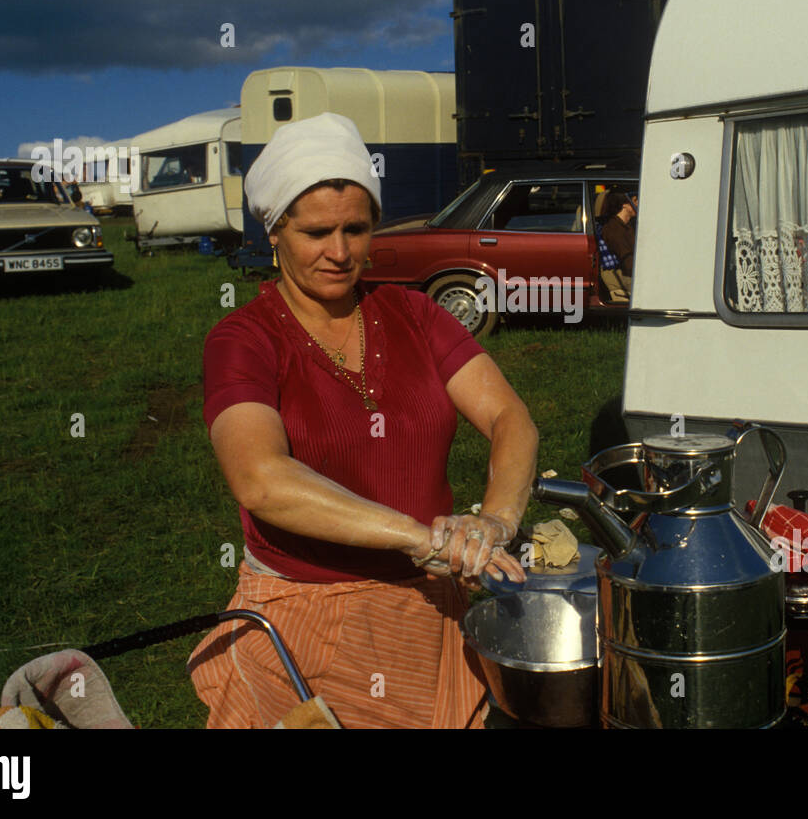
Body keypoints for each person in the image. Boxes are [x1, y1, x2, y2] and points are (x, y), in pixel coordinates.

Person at [187, 114, 535, 729]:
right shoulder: (244, 340)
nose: (341, 253)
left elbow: (511, 417)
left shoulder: (415, 314)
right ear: (274, 232)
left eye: (357, 228)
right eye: (317, 232)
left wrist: (495, 521)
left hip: (430, 611)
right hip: (308, 618)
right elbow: (261, 479)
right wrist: (420, 538)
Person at [600, 189, 638, 295]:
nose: (638, 204)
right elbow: (627, 260)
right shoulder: (613, 229)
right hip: (627, 276)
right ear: (625, 204)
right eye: (635, 200)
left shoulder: (629, 225)